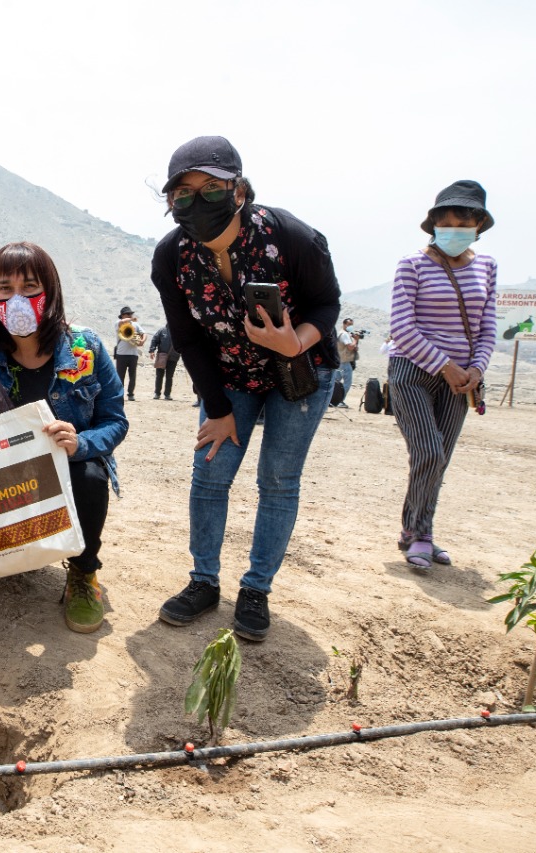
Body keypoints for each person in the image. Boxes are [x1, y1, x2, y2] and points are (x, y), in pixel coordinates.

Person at [149, 136, 339, 642]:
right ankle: (203, 582)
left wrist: (293, 341)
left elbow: (326, 305)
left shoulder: (290, 236)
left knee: (277, 480)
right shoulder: (171, 256)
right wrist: (216, 408)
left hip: (300, 373)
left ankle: (255, 589)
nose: (196, 201)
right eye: (183, 193)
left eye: (211, 188)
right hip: (230, 375)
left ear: (238, 191)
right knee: (209, 474)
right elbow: (186, 336)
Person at [0, 242, 128, 634]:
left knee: (90, 476)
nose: (17, 299)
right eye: (5, 290)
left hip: (65, 472)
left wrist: (80, 442)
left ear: (50, 291)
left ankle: (84, 573)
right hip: (7, 477)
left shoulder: (87, 347)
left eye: (30, 287)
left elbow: (115, 421)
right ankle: (10, 550)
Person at [387, 180, 497, 570]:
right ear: (433, 224)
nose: (452, 228)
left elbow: (487, 327)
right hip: (412, 370)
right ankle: (418, 533)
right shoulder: (412, 264)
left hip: (464, 379)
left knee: (439, 459)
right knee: (428, 452)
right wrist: (445, 367)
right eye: (445, 221)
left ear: (478, 224)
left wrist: (476, 369)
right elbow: (401, 326)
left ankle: (418, 532)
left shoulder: (487, 267)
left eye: (462, 221)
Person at [113, 306, 145, 401]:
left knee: (132, 375)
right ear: (122, 315)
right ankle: (120, 393)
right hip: (121, 354)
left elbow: (144, 333)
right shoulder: (118, 323)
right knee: (120, 376)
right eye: (128, 314)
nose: (130, 315)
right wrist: (131, 319)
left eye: (131, 314)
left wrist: (142, 341)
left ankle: (131, 394)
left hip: (133, 354)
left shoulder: (135, 325)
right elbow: (122, 322)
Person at [149, 323, 179, 400]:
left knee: (169, 377)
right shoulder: (162, 331)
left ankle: (167, 394)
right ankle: (157, 393)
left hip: (173, 357)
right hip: (162, 357)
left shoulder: (179, 331)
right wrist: (152, 350)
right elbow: (154, 340)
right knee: (159, 376)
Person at [334, 317, 357, 407]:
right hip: (344, 361)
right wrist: (355, 340)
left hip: (339, 360)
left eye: (352, 325)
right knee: (347, 382)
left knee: (336, 382)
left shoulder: (341, 333)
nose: (350, 327)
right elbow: (350, 347)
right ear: (344, 324)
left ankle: (332, 400)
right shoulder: (344, 334)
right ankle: (340, 401)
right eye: (349, 325)